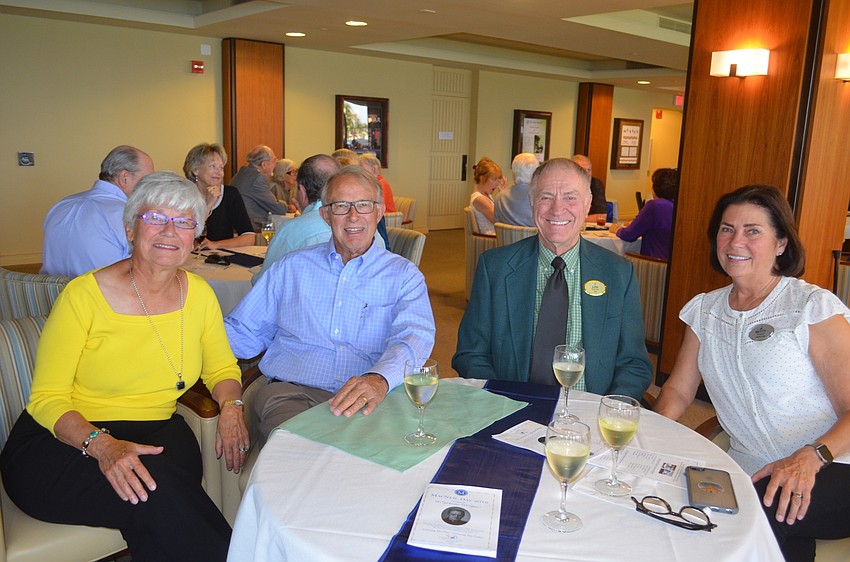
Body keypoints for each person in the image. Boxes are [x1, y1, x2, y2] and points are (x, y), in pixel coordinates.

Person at [1, 172, 249, 561]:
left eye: (184, 221)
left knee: (158, 495)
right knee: (159, 496)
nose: (170, 230)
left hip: (159, 435)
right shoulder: (83, 295)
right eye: (155, 218)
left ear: (195, 237)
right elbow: (46, 398)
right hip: (65, 440)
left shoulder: (199, 294)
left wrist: (232, 408)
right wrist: (102, 447)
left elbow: (221, 369)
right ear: (131, 228)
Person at [655, 185, 850, 562]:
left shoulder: (811, 307)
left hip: (833, 464)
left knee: (747, 518)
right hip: (752, 471)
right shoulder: (705, 311)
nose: (735, 241)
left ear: (781, 243)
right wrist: (650, 436)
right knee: (674, 502)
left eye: (753, 230)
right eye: (726, 229)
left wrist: (810, 458)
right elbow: (678, 392)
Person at [225, 166, 435, 444]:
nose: (353, 216)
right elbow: (243, 333)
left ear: (379, 211)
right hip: (293, 394)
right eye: (340, 206)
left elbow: (414, 337)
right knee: (296, 461)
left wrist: (378, 379)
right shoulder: (291, 268)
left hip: (372, 397)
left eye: (363, 205)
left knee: (376, 468)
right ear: (325, 214)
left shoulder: (404, 275)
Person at [453, 158, 652, 400]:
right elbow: (470, 353)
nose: (558, 209)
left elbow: (634, 363)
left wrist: (607, 411)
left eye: (570, 197)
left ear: (587, 204)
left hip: (590, 414)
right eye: (546, 196)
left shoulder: (618, 273)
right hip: (511, 410)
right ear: (532, 202)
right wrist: (500, 403)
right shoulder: (495, 268)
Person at [41, 145, 154, 277]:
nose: (150, 187)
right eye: (147, 180)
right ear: (125, 178)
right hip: (103, 294)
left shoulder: (61, 205)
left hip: (50, 295)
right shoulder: (129, 214)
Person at [254, 154, 340, 282]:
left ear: (302, 191)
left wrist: (303, 218)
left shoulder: (292, 230)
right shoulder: (365, 228)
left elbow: (264, 282)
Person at [183, 143, 254, 250]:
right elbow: (185, 236)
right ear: (195, 169)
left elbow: (249, 237)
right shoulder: (183, 196)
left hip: (221, 260)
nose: (219, 172)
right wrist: (208, 206)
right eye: (212, 166)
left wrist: (216, 245)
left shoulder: (230, 194)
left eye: (221, 167)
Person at [610, 168, 678, 259]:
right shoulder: (681, 206)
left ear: (655, 188)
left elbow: (629, 235)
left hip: (654, 263)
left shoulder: (655, 206)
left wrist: (617, 229)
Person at [230, 145, 288, 229]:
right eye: (274, 161)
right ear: (264, 164)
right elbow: (278, 208)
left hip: (237, 226)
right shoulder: (258, 179)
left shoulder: (240, 174)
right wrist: (285, 204)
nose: (276, 164)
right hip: (252, 228)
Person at [493, 153, 539, 227]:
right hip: (533, 238)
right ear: (535, 173)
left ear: (514, 172)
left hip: (506, 238)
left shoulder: (499, 197)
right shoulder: (540, 198)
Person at [470, 157, 503, 235]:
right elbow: (499, 221)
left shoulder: (486, 195)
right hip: (491, 237)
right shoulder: (480, 199)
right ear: (482, 179)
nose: (497, 184)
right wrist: (504, 196)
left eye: (498, 180)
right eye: (494, 180)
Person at [571, 155, 608, 223]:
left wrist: (574, 220)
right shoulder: (564, 185)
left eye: (589, 170)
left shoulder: (596, 184)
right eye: (583, 170)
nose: (587, 173)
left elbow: (601, 216)